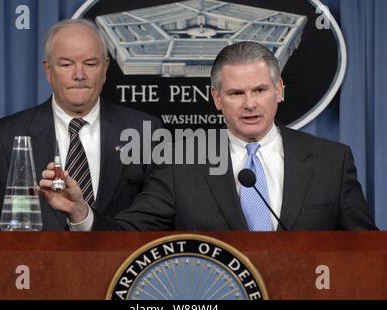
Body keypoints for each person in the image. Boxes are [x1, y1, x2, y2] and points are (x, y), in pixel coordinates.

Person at [39, 41, 378, 231]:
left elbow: (365, 251)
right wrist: (82, 213)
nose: (249, 104)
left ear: (279, 90)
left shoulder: (331, 162)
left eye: (260, 89)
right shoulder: (179, 162)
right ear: (217, 99)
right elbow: (129, 236)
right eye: (235, 93)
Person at [0, 19, 160, 231]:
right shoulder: (5, 137)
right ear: (48, 70)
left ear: (105, 68)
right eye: (66, 64)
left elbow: (153, 226)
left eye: (90, 64)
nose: (79, 75)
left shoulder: (146, 131)